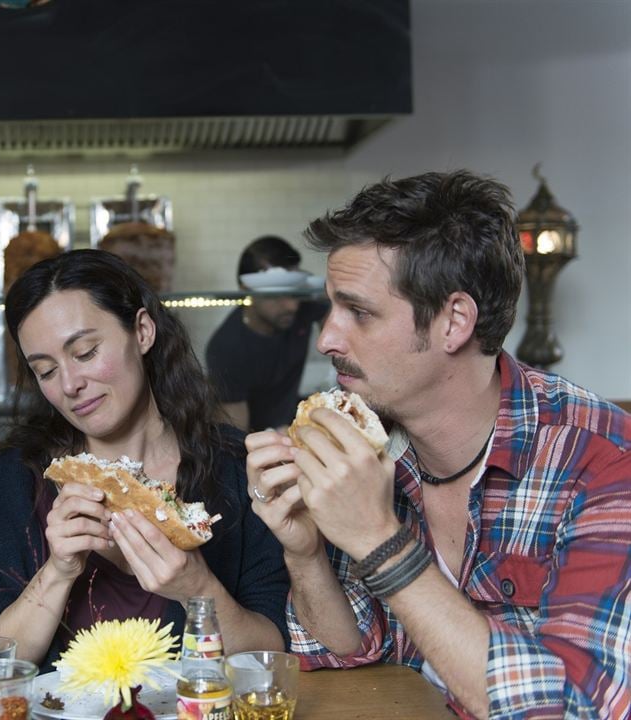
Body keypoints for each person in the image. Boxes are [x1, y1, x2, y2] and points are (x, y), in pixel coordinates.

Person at [245, 171, 631, 719]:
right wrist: (304, 551)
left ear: (454, 322)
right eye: (331, 308)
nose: (327, 338)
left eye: (359, 311)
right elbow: (346, 651)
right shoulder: (375, 451)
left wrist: (382, 541)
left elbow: (573, 709)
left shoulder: (602, 463)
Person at [0, 249, 289, 672]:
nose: (71, 384)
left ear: (143, 331)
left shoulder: (236, 469)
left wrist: (197, 588)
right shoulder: (8, 485)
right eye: (46, 370)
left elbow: (274, 653)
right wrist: (58, 571)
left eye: (86, 351)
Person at [205, 235, 327, 432]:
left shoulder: (303, 308)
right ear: (246, 290)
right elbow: (236, 433)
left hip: (294, 421)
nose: (292, 305)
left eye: (294, 292)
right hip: (261, 441)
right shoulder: (227, 348)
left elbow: (333, 314)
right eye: (276, 293)